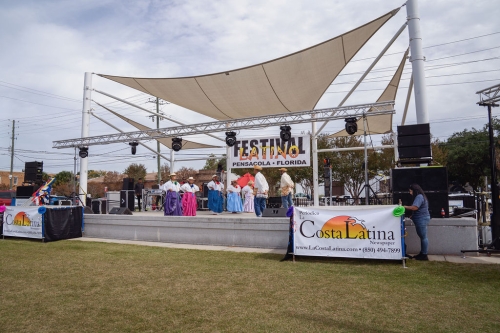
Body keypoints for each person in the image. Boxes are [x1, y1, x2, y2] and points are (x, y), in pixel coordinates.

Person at [404, 183, 430, 261]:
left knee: (423, 237)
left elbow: (415, 207)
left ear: (414, 191)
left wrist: (404, 206)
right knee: (422, 237)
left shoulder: (419, 197)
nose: (410, 193)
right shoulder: (422, 196)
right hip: (421, 217)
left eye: (410, 191)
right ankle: (422, 253)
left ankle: (424, 254)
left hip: (421, 219)